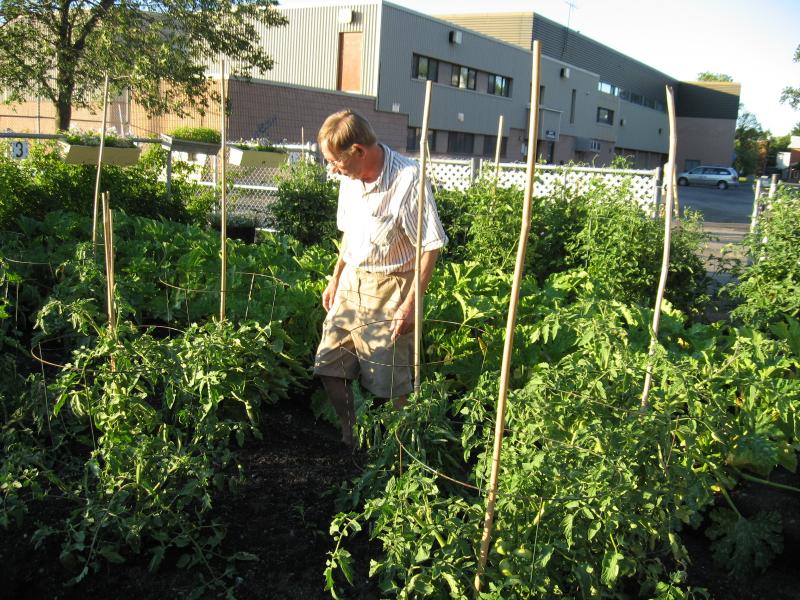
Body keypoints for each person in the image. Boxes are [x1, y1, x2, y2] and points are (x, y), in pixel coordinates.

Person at [313, 110, 448, 447]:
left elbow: (430, 247)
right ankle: (350, 432)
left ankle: (398, 450)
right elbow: (349, 234)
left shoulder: (408, 179)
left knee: (390, 382)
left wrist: (410, 304)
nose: (332, 169)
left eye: (335, 161)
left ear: (358, 150)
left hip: (390, 288)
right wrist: (335, 278)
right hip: (351, 284)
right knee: (329, 365)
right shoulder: (349, 179)